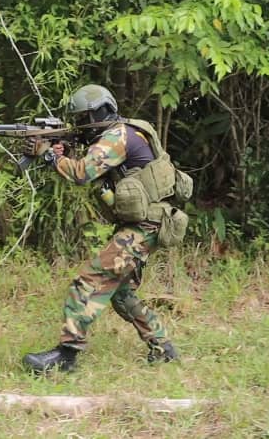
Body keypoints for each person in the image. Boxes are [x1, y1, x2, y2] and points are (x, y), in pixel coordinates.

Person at [20, 84, 185, 372]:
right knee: (120, 294)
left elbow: (83, 173)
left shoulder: (117, 137)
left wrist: (49, 155)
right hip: (149, 223)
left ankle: (65, 357)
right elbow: (87, 166)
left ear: (98, 113)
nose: (80, 125)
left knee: (89, 280)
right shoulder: (125, 131)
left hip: (145, 225)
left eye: (83, 119)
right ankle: (163, 349)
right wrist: (60, 153)